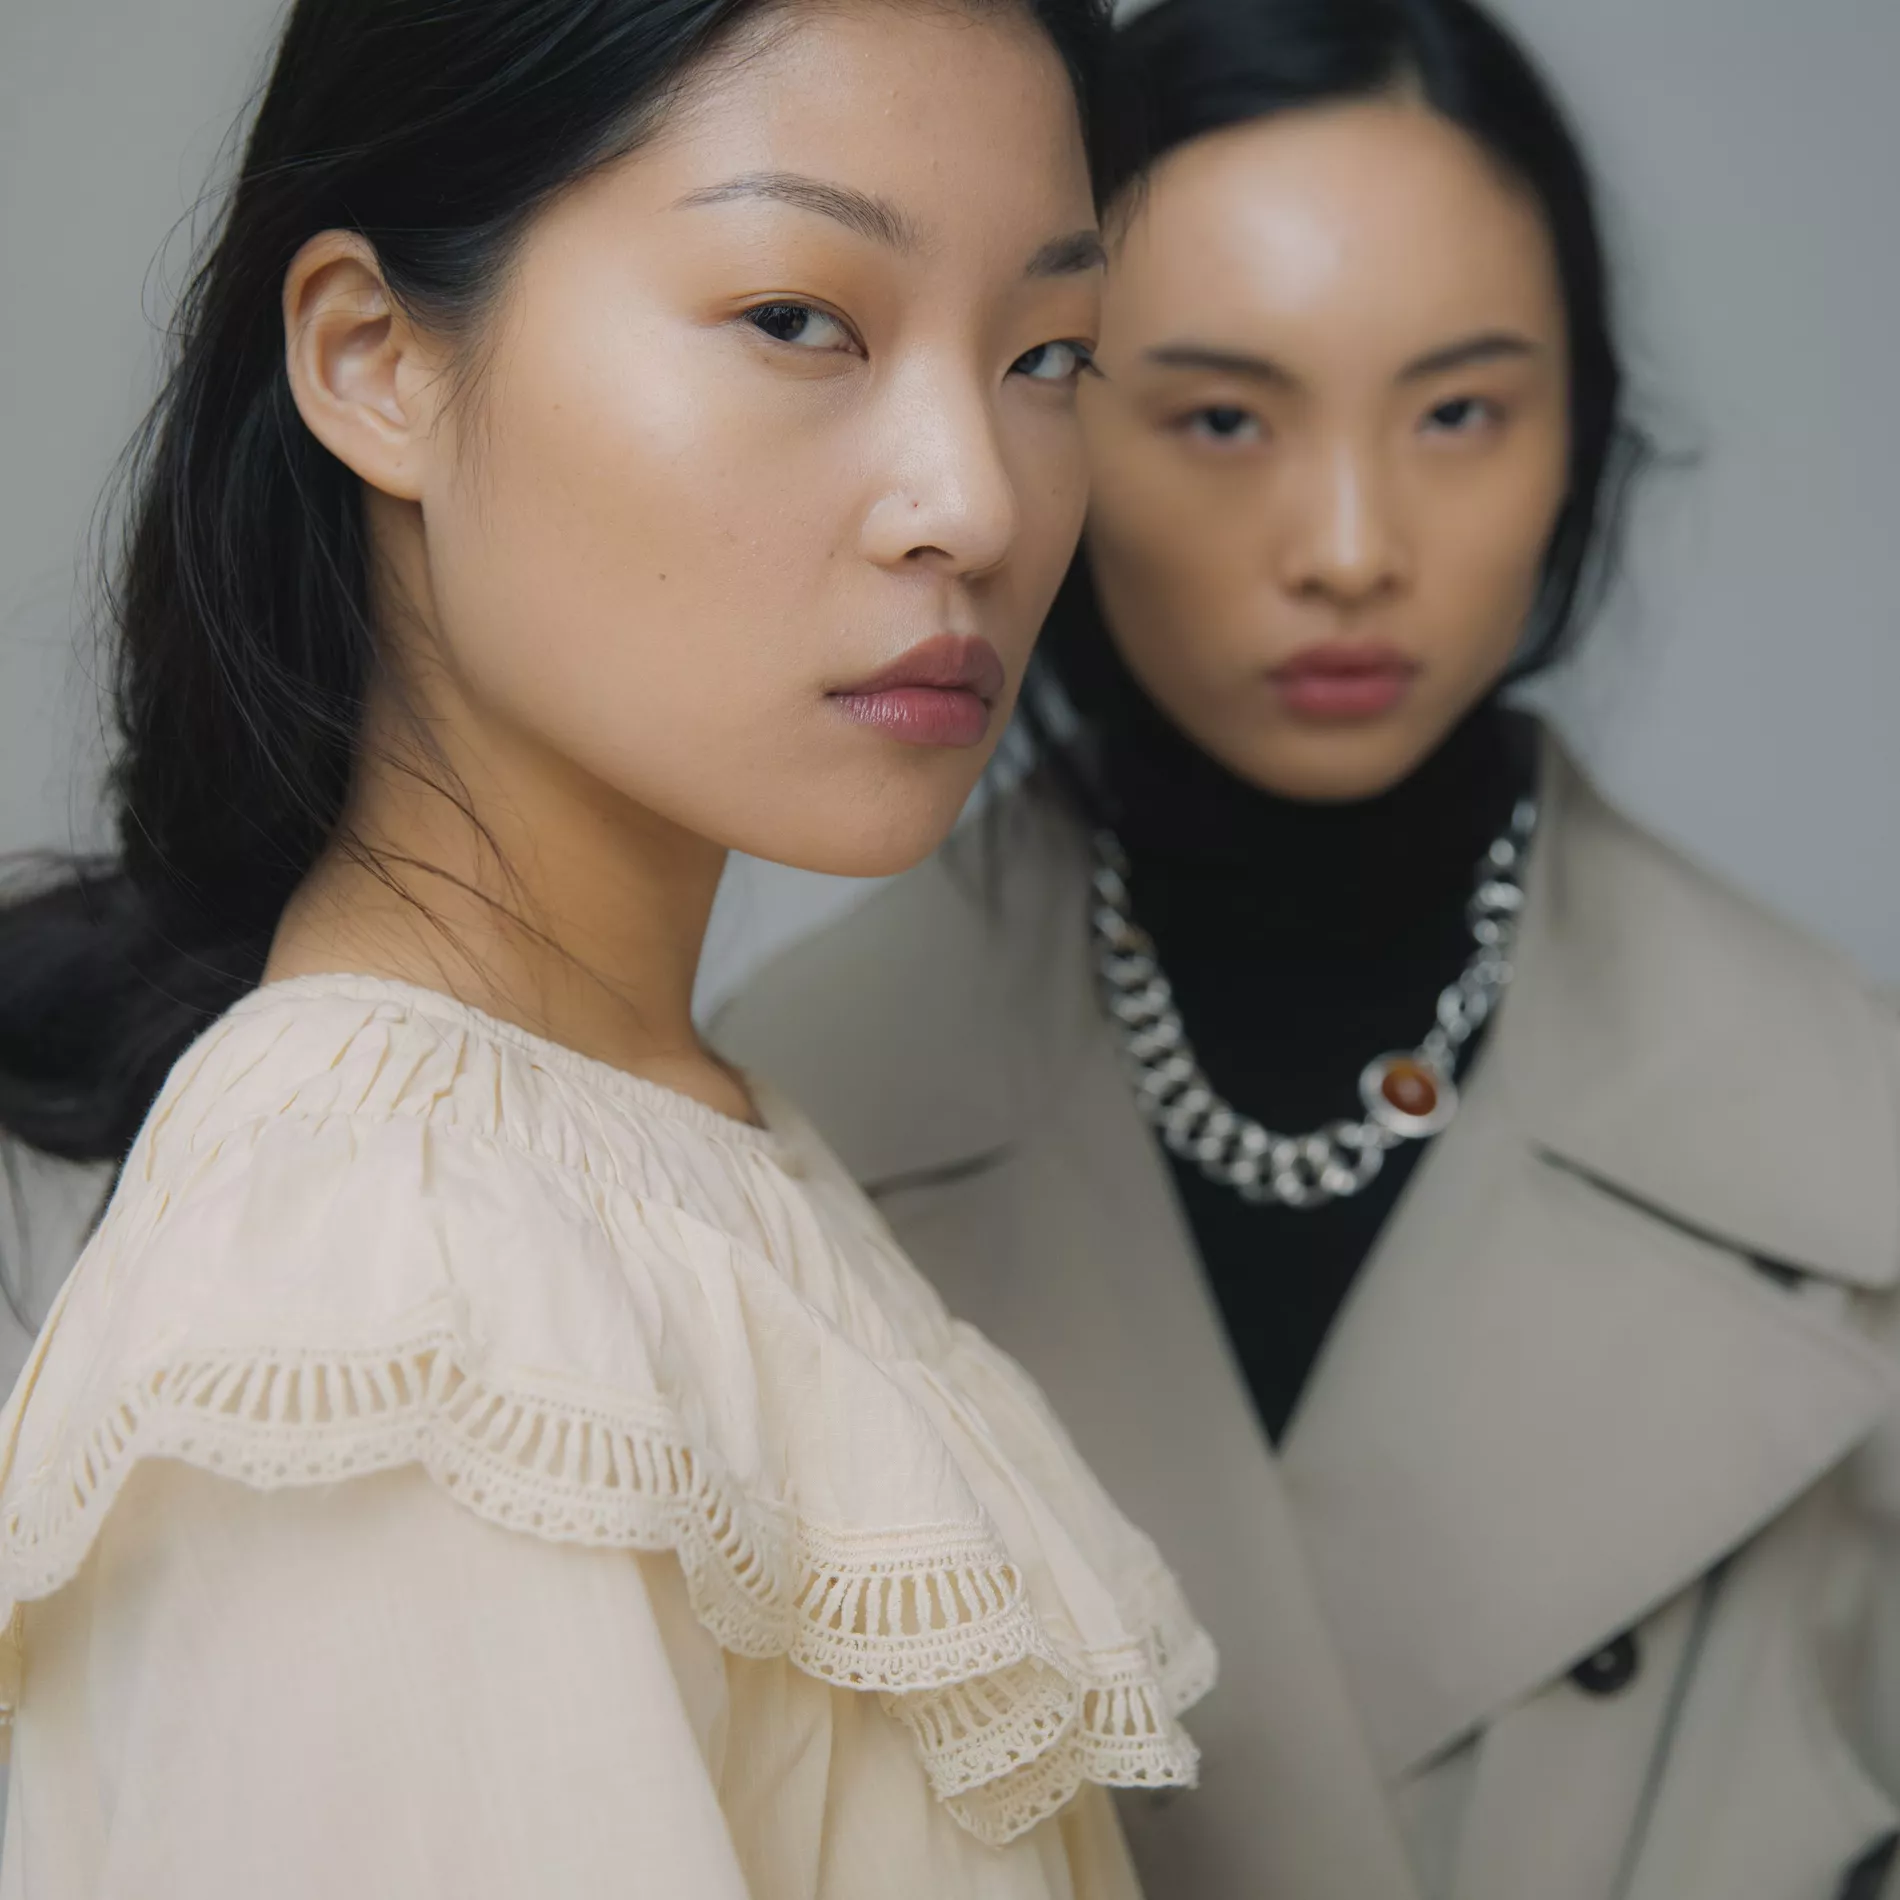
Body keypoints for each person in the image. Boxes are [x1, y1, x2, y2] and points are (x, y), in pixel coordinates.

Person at [0, 0, 1219, 1890]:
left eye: (1048, 352)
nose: (974, 500)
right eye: (801, 319)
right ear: (375, 357)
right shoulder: (405, 1304)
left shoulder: (641, 1155)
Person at [718, 0, 1900, 1893]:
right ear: (1043, 415)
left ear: (1581, 431)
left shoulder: (1854, 1167)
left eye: (1457, 410)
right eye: (1219, 415)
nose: (1349, 542)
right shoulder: (764, 1162)